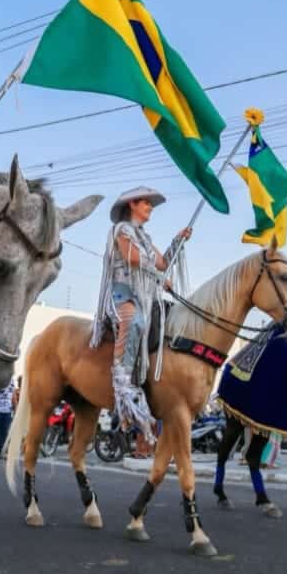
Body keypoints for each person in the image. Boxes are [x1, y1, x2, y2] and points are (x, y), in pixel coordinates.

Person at [89, 187, 191, 440]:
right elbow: (132, 258)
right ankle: (122, 383)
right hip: (122, 293)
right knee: (134, 322)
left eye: (150, 203)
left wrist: (178, 241)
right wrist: (159, 278)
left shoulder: (144, 236)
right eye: (146, 202)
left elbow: (163, 263)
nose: (150, 207)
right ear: (132, 204)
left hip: (144, 297)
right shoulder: (122, 230)